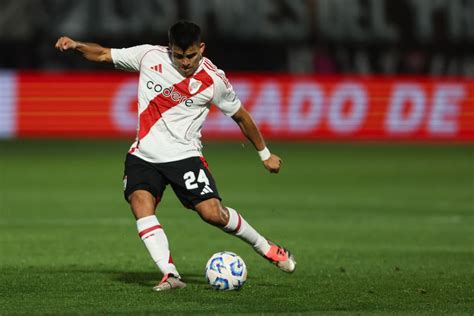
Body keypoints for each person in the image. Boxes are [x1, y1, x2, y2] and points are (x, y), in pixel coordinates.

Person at [55, 20, 296, 291]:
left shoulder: (214, 79)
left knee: (213, 214)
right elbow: (102, 53)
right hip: (144, 154)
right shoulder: (149, 56)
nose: (185, 62)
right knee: (140, 204)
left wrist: (265, 154)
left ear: (201, 48)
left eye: (191, 55)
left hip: (185, 156)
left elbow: (241, 116)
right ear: (170, 49)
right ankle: (170, 275)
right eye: (179, 56)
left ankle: (266, 248)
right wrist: (76, 45)